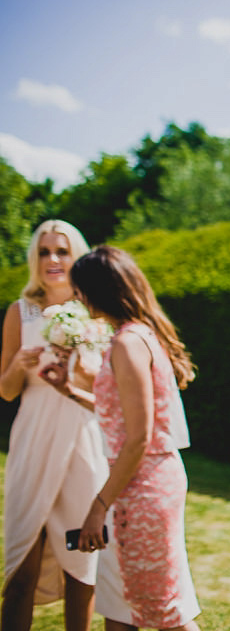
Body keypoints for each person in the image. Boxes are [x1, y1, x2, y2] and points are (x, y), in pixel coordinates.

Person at [40, 245, 201, 631]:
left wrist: (99, 505)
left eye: (80, 289)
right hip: (141, 482)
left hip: (141, 487)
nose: (77, 297)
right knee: (121, 604)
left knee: (162, 607)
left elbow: (138, 437)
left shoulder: (128, 344)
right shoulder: (141, 335)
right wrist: (69, 390)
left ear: (98, 290)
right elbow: (123, 413)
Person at [1, 220, 108, 631]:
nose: (53, 260)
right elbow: (7, 391)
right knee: (21, 567)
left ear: (76, 255)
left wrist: (76, 368)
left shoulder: (97, 314)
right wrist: (18, 365)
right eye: (44, 252)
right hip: (32, 440)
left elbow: (106, 395)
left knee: (82, 570)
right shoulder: (20, 311)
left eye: (61, 251)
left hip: (82, 443)